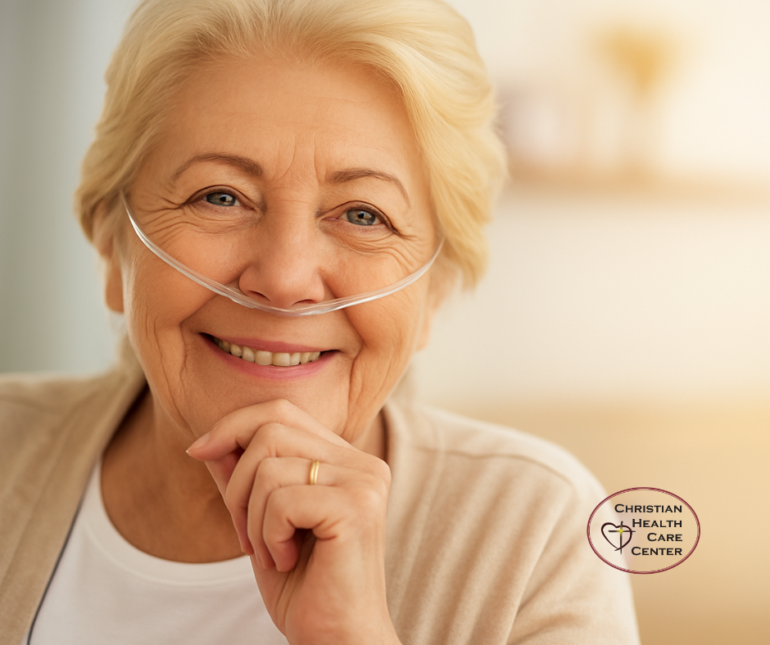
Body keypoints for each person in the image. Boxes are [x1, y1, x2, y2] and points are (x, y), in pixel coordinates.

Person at [0, 0, 639, 643]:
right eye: (220, 197)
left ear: (435, 291)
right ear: (113, 248)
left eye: (363, 214)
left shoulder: (537, 536)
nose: (284, 280)